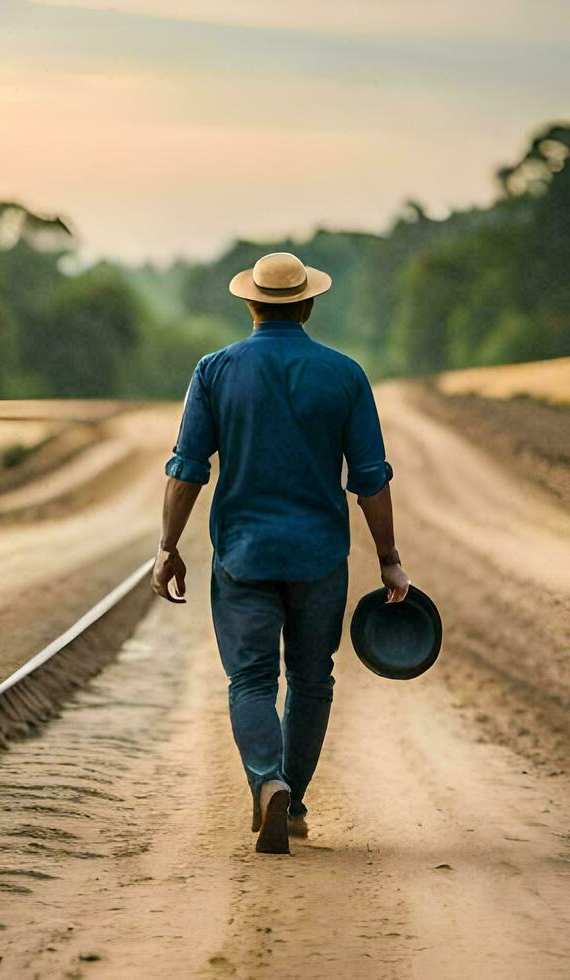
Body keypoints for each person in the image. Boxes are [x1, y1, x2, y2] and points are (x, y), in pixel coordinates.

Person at [151, 252, 409, 855]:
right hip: (320, 555)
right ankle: (291, 800)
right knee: (312, 680)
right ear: (309, 304)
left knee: (251, 679)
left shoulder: (215, 371)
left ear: (251, 303)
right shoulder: (345, 375)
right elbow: (369, 476)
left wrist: (167, 546)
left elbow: (187, 469)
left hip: (243, 554)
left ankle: (267, 782)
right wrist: (389, 556)